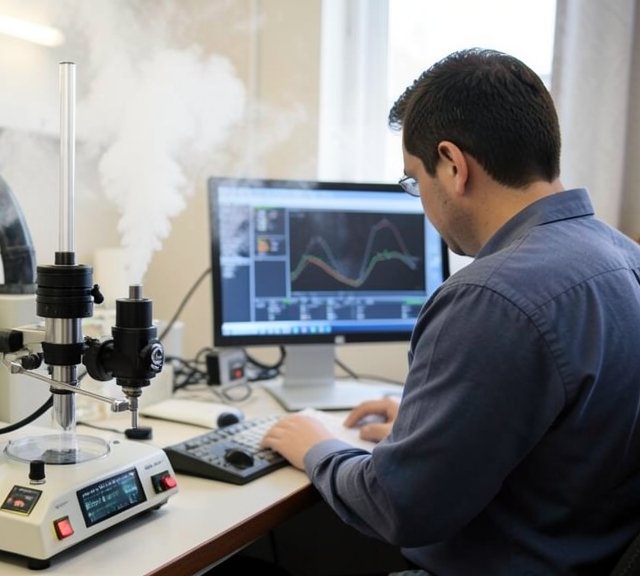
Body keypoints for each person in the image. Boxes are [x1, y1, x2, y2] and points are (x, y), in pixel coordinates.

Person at [260, 48, 640, 575]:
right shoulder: (625, 257)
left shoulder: (491, 296)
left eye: (414, 180)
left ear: (454, 166)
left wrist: (314, 445)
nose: (420, 200)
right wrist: (428, 425)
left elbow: (396, 506)